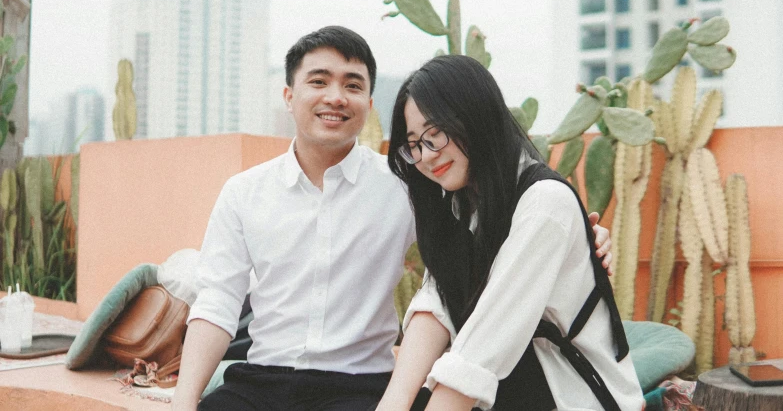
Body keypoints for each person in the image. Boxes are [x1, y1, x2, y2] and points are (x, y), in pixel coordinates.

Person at [171, 27, 614, 411]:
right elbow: (217, 303)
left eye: (352, 85)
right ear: (289, 96)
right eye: (319, 81)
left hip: (356, 386)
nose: (335, 97)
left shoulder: (409, 185)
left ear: (368, 102)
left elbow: (470, 256)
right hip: (260, 380)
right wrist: (183, 401)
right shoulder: (244, 192)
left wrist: (579, 241)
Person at [376, 55, 644, 411]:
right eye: (414, 144)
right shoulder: (463, 207)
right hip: (514, 393)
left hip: (570, 397)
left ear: (474, 116)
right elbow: (435, 305)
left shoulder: (544, 203)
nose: (425, 155)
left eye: (435, 134)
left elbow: (482, 347)